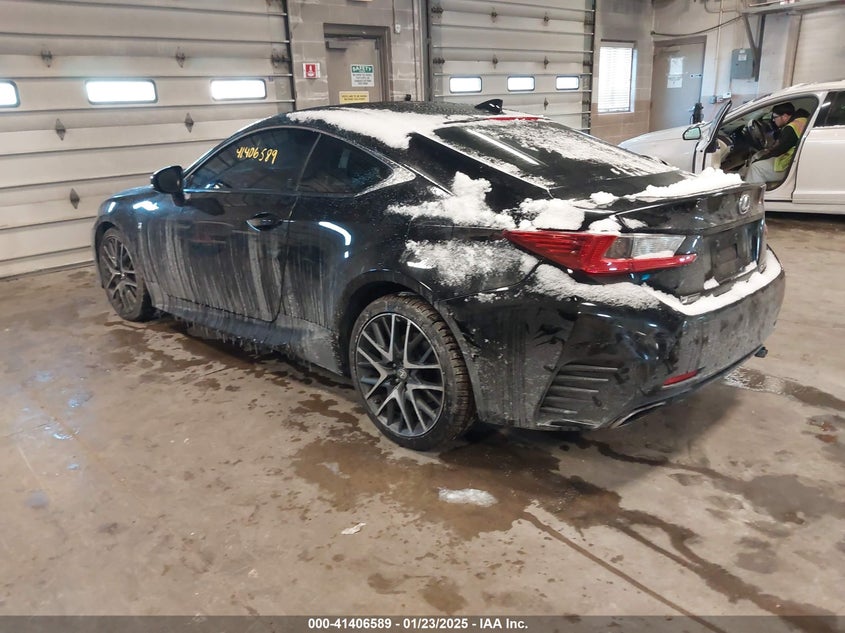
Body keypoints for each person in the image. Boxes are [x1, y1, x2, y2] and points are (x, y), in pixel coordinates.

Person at [745, 102, 808, 184]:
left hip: (789, 164)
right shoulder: (802, 120)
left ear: (785, 116)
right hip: (798, 160)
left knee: (756, 167)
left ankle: (753, 191)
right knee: (758, 156)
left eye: (775, 117)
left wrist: (760, 159)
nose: (773, 120)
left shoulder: (790, 128)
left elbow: (778, 150)